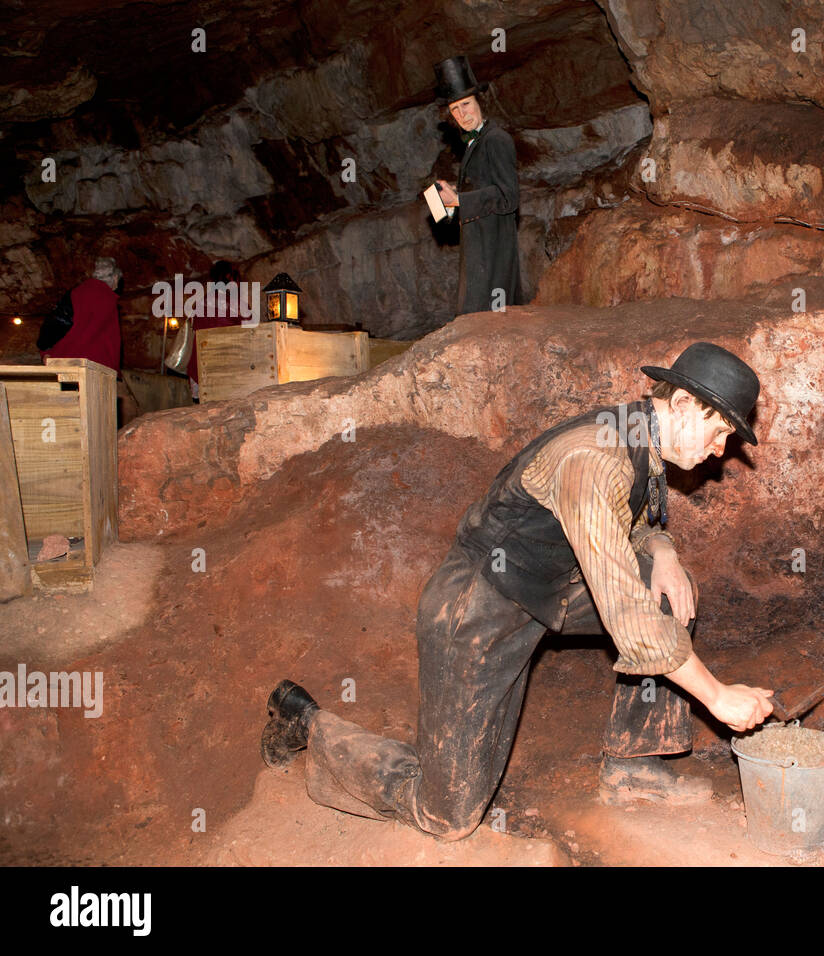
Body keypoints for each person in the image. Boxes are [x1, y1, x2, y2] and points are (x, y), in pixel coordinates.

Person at [260, 342, 775, 839]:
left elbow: (637, 519)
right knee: (448, 815)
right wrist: (717, 697)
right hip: (478, 607)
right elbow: (629, 619)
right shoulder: (594, 458)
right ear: (683, 403)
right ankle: (306, 722)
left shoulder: (641, 436)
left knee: (667, 590)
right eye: (720, 430)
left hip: (548, 589)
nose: (720, 449)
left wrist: (663, 555)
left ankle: (632, 768)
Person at [432, 55, 523, 317]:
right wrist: (449, 203)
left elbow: (509, 197)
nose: (462, 114)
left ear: (479, 102)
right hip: (477, 249)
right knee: (475, 320)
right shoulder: (474, 143)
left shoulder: (496, 139)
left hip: (494, 249)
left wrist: (461, 200)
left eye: (466, 104)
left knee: (489, 322)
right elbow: (482, 193)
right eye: (454, 110)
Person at [42, 257, 122, 373]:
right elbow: (110, 342)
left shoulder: (75, 292)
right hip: (96, 367)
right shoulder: (109, 299)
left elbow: (55, 323)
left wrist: (46, 352)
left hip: (64, 363)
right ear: (115, 278)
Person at [186, 260, 242, 400]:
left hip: (201, 365)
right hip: (224, 367)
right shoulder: (234, 305)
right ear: (229, 277)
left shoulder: (202, 302)